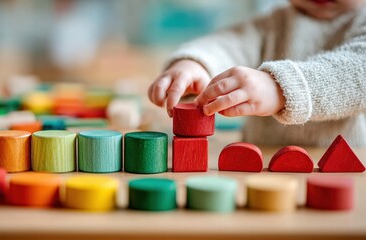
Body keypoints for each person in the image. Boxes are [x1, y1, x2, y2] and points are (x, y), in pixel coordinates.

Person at [148, 0, 366, 147]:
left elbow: (358, 70)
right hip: (258, 162)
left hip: (341, 168)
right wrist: (196, 64)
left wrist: (280, 88)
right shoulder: (274, 22)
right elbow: (230, 43)